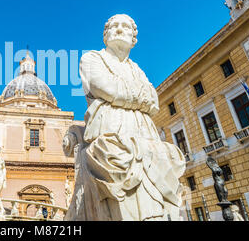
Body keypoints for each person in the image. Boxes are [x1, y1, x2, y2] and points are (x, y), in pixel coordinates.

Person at [66, 14, 185, 221]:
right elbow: (103, 87)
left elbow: (154, 101)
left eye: (126, 26)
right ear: (105, 35)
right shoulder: (92, 58)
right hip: (111, 131)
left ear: (134, 38)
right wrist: (139, 98)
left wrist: (123, 94)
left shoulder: (137, 69)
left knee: (160, 167)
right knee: (117, 170)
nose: (120, 29)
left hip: (145, 134)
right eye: (114, 26)